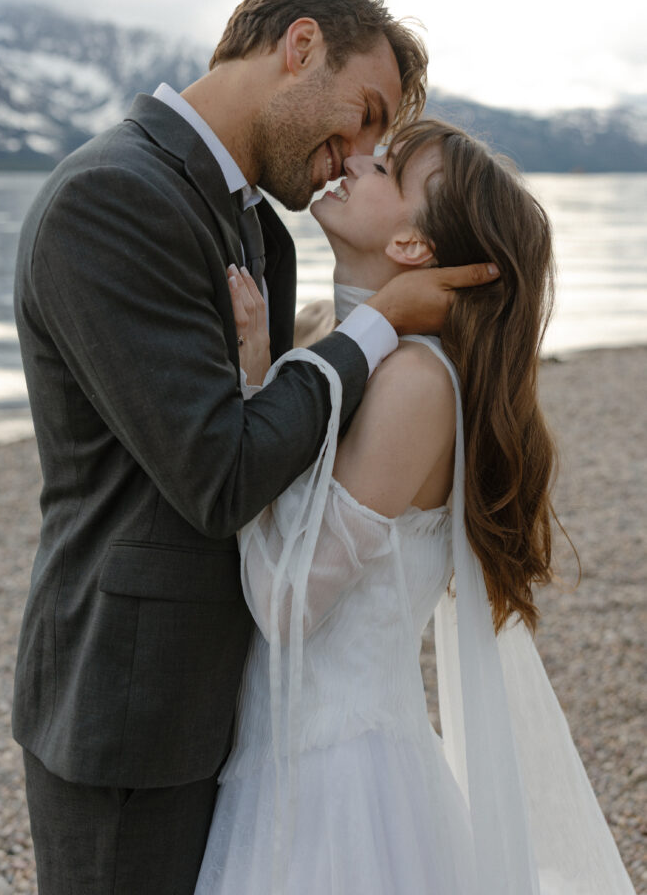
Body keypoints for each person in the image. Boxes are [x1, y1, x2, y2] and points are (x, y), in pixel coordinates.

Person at [12, 0, 498, 894]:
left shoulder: (259, 232)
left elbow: (284, 440)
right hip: (131, 712)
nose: (353, 150)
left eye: (380, 141)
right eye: (361, 111)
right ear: (300, 46)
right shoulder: (111, 198)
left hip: (244, 715)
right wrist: (380, 319)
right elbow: (225, 470)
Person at [194, 120, 636, 894]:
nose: (353, 159)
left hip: (340, 788)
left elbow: (286, 603)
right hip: (278, 758)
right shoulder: (323, 338)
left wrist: (254, 386)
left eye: (385, 167)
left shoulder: (414, 383)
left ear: (411, 248)